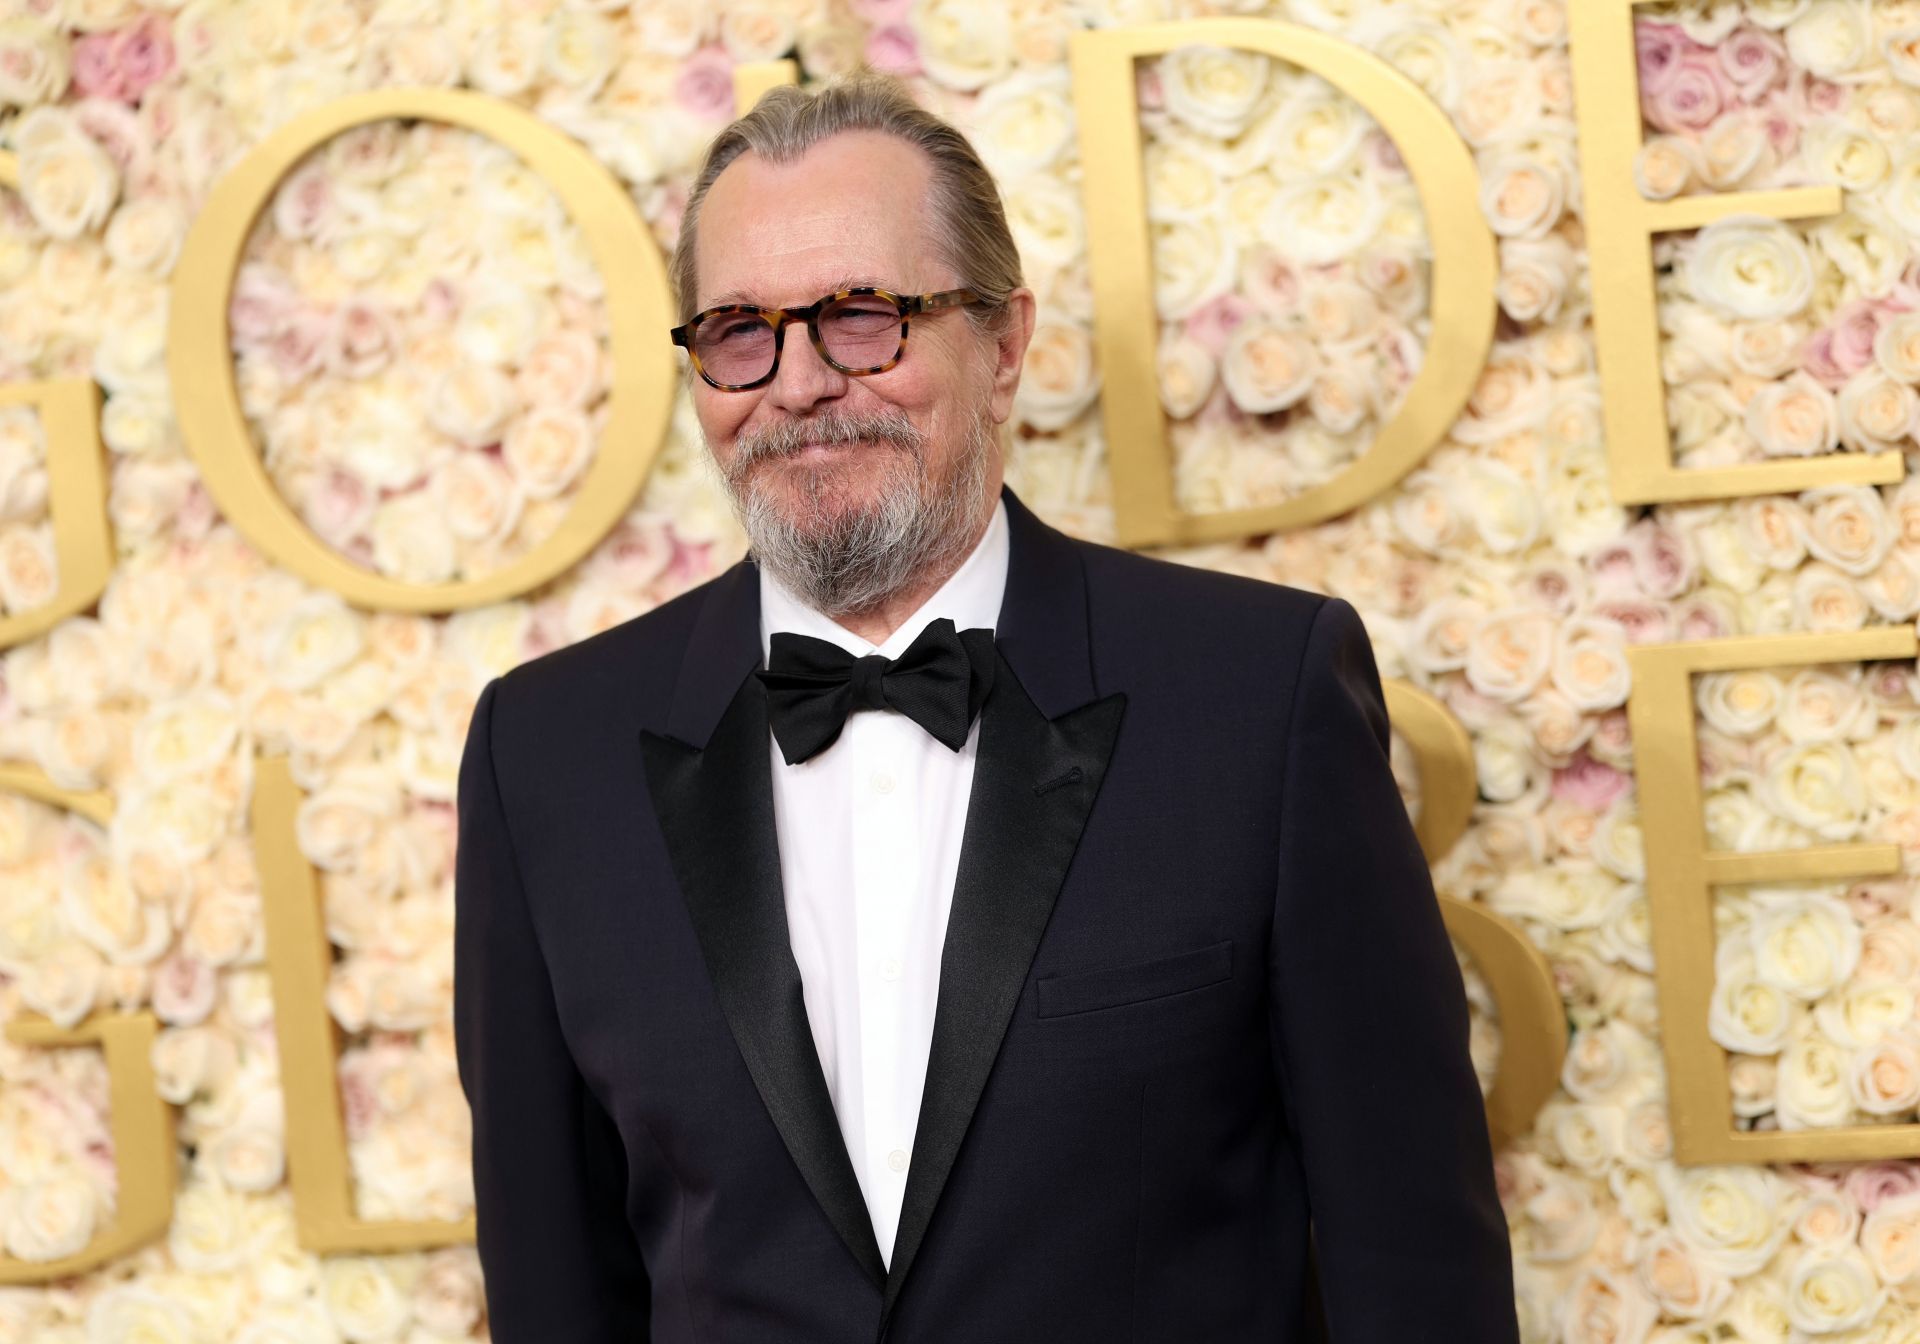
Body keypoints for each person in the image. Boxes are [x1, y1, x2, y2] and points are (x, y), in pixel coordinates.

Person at [453, 70, 1517, 1343]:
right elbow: (554, 1293)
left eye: (862, 317)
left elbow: (1414, 1265)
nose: (796, 385)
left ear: (1005, 346)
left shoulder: (1257, 697)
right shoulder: (544, 756)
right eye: (740, 330)